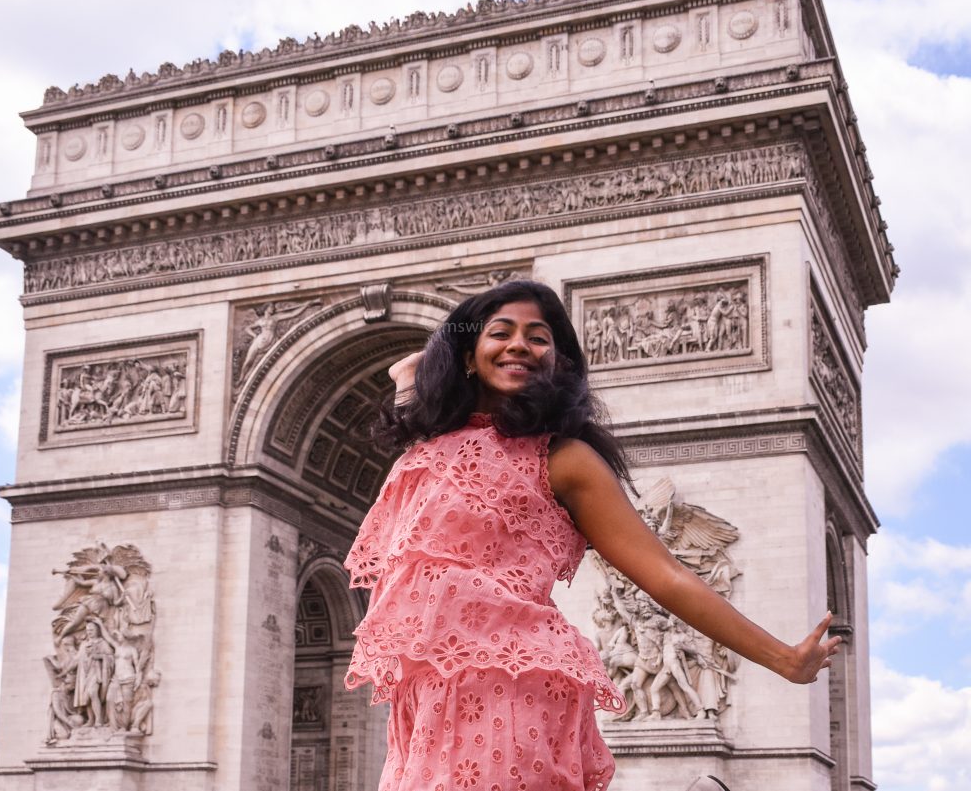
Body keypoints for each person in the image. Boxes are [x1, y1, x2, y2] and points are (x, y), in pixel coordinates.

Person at [344, 280, 839, 791]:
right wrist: (422, 369)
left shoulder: (565, 460)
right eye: (501, 332)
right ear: (468, 356)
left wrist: (785, 659)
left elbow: (666, 577)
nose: (520, 344)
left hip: (513, 687)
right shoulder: (429, 447)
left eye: (539, 338)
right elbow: (420, 387)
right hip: (424, 699)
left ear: (558, 363)